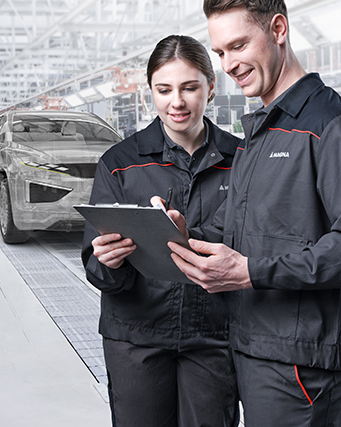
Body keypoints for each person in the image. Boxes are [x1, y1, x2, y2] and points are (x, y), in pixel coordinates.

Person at [162, 0, 341, 427]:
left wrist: (250, 272)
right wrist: (185, 235)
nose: (228, 64)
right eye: (220, 53)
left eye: (238, 45)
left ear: (278, 30)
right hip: (254, 346)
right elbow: (254, 235)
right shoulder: (261, 133)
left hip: (303, 360)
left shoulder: (333, 127)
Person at [82, 35, 241, 427]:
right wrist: (109, 261)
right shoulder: (119, 164)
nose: (177, 102)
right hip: (136, 335)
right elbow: (96, 268)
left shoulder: (242, 160)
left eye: (190, 88)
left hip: (213, 335)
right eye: (164, 89)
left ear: (211, 87)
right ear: (150, 91)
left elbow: (251, 244)